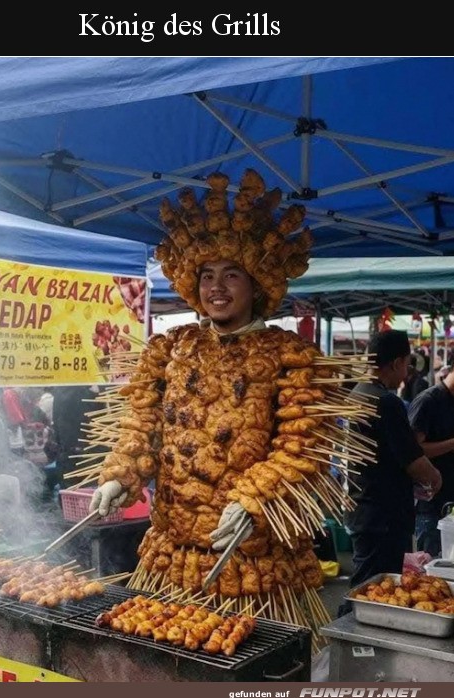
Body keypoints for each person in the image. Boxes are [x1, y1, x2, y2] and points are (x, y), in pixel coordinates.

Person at [82, 168, 371, 633]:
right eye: (207, 274)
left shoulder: (293, 357)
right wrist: (121, 474)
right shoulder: (168, 348)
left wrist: (255, 499)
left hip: (256, 565)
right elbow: (142, 425)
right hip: (172, 556)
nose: (216, 286)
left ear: (257, 285)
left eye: (231, 274)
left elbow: (304, 446)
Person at [344, 330, 442, 589]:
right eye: (407, 363)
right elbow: (413, 459)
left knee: (368, 582)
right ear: (397, 362)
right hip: (383, 515)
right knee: (373, 587)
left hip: (363, 507)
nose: (407, 371)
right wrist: (434, 477)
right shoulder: (385, 402)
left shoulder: (358, 392)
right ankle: (343, 626)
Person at [408, 361, 454, 556]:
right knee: (428, 567)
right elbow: (412, 450)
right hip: (430, 504)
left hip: (450, 502)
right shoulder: (428, 401)